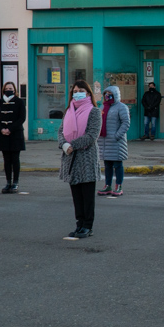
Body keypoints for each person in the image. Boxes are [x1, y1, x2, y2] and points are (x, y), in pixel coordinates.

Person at [59, 80, 103, 239]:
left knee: (87, 195)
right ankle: (79, 224)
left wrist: (73, 145)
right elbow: (61, 132)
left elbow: (92, 135)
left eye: (81, 90)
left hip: (86, 158)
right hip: (70, 158)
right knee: (76, 195)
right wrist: (64, 145)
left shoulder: (94, 111)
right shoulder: (68, 111)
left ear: (88, 93)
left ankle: (87, 226)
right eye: (75, 90)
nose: (77, 93)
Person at [97, 85, 130, 197]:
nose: (107, 96)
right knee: (107, 165)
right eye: (105, 94)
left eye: (109, 94)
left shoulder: (121, 107)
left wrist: (117, 136)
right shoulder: (102, 107)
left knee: (117, 164)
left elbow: (125, 123)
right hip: (105, 142)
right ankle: (107, 185)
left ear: (115, 95)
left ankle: (118, 185)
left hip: (116, 142)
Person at [0, 81, 26, 194]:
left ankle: (15, 183)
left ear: (14, 90)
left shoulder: (19, 102)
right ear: (3, 89)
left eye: (11, 88)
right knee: (6, 159)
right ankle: (8, 182)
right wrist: (1, 129)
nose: (9, 90)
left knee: (15, 159)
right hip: (2, 135)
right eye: (7, 88)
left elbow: (22, 118)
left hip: (15, 134)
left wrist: (10, 129)